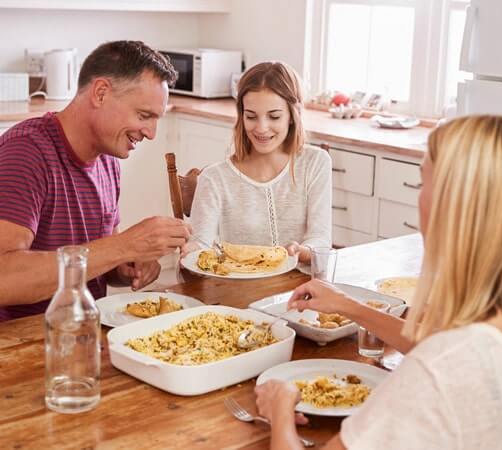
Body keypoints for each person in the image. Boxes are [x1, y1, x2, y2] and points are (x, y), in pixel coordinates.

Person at [254, 115, 502, 450]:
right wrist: (348, 306)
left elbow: (444, 362)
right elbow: (444, 348)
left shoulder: (441, 371)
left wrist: (280, 409)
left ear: (450, 206)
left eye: (423, 183)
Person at [0, 40, 191, 322]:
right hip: (21, 348)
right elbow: (3, 277)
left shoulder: (108, 160)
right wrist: (123, 245)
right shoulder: (26, 152)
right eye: (144, 115)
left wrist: (124, 263)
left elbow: (93, 256)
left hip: (84, 334)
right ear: (100, 93)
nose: (151, 133)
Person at [188, 62, 331, 264]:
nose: (261, 128)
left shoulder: (315, 163)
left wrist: (303, 251)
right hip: (240, 291)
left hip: (302, 290)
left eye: (274, 116)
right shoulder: (214, 178)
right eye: (251, 116)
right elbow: (200, 246)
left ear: (292, 115)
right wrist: (190, 249)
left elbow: (321, 240)